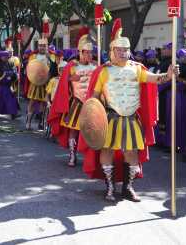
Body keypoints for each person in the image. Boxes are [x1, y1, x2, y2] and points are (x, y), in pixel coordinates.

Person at [79, 19, 177, 202]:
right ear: (112, 51)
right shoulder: (103, 71)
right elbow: (94, 96)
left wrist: (168, 75)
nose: (124, 53)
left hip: (131, 118)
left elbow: (154, 79)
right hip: (110, 117)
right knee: (107, 150)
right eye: (120, 50)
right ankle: (109, 186)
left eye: (126, 50)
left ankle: (128, 187)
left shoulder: (137, 69)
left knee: (131, 152)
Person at [48, 29, 97, 167]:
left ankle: (91, 157)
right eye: (86, 52)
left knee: (92, 131)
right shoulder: (72, 66)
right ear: (80, 52)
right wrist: (70, 78)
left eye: (90, 52)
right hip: (76, 102)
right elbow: (63, 83)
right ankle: (72, 154)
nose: (89, 55)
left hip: (91, 104)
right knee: (73, 130)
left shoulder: (96, 67)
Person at [26, 37, 51, 130]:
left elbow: (54, 69)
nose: (42, 47)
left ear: (46, 47)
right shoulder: (33, 57)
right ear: (38, 46)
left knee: (43, 103)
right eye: (40, 45)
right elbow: (29, 69)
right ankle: (28, 121)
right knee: (32, 102)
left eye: (44, 46)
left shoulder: (51, 57)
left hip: (46, 83)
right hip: (35, 83)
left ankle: (41, 121)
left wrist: (50, 61)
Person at [0, 50, 18, 119]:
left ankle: (13, 113)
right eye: (4, 56)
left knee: (11, 100)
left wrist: (14, 74)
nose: (6, 58)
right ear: (0, 57)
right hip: (0, 86)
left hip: (8, 85)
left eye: (7, 56)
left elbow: (13, 71)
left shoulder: (9, 63)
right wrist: (7, 74)